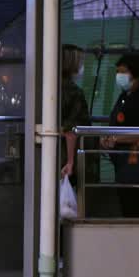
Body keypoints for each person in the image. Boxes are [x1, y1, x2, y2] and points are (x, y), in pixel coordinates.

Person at [101, 53, 139, 219]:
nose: (119, 76)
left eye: (123, 72)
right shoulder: (124, 96)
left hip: (136, 160)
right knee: (125, 204)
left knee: (136, 206)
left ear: (136, 74)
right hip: (121, 162)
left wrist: (117, 139)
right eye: (117, 72)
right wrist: (107, 138)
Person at [59, 45, 91, 181]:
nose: (82, 67)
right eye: (81, 62)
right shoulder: (74, 92)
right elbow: (71, 129)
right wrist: (71, 162)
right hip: (68, 155)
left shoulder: (50, 87)